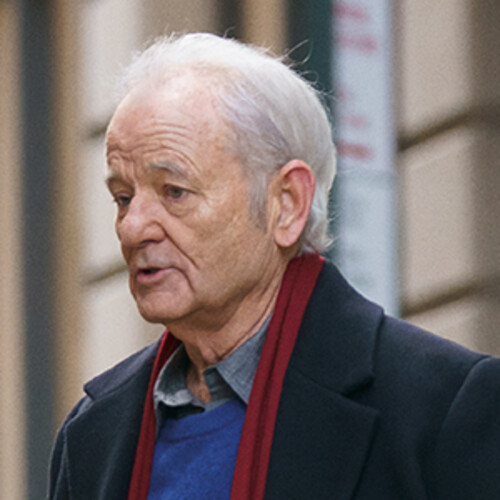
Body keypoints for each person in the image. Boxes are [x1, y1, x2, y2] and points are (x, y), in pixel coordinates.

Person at [48, 33, 500, 500]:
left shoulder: (444, 408)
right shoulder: (93, 433)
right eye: (123, 198)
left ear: (287, 204)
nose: (133, 228)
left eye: (174, 192)